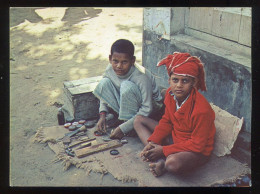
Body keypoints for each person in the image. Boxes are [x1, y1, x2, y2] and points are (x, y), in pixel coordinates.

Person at [134, 52, 216, 177]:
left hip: (194, 151)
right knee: (138, 120)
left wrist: (163, 150)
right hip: (175, 138)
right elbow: (167, 121)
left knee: (172, 164)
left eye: (185, 81)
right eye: (175, 80)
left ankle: (162, 160)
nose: (179, 85)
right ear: (169, 80)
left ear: (193, 83)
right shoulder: (170, 95)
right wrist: (153, 141)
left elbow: (197, 145)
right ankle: (158, 157)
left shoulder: (202, 110)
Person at [93, 39, 163, 140]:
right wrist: (102, 115)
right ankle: (125, 122)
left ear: (132, 61)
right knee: (104, 82)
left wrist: (123, 129)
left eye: (124, 62)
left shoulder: (141, 76)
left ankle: (130, 127)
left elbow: (147, 108)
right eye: (115, 61)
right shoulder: (109, 69)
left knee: (126, 86)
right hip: (129, 102)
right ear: (110, 58)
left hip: (151, 110)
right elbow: (105, 92)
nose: (119, 66)